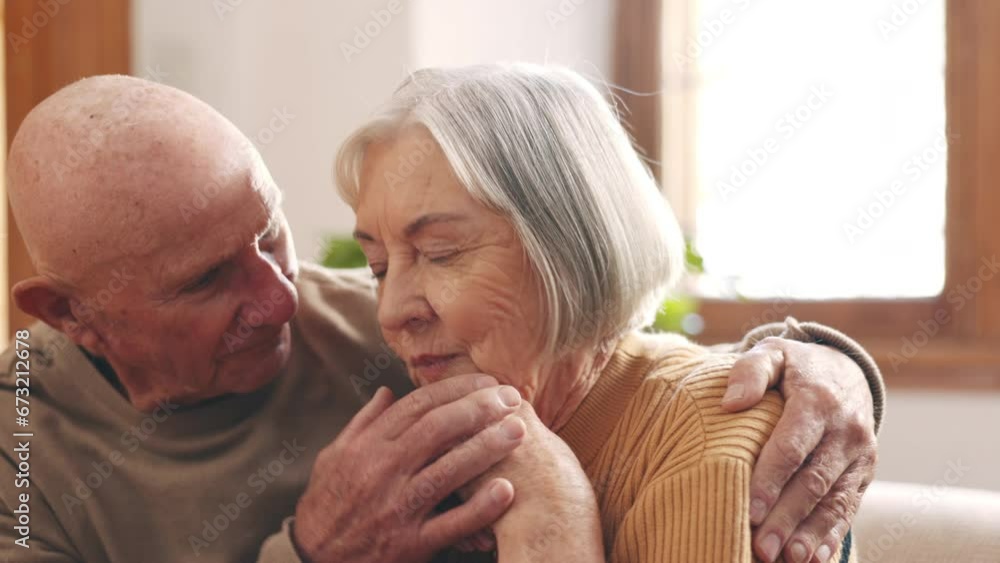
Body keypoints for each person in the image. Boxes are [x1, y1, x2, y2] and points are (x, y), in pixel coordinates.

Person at [0, 75, 880, 563]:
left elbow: (615, 355)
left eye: (271, 234)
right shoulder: (20, 440)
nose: (282, 296)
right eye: (204, 283)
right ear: (73, 316)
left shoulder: (389, 330)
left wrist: (820, 357)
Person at [335, 64, 881, 562]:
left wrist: (553, 528)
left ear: (569, 249)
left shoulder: (707, 437)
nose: (390, 311)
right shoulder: (420, 442)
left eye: (441, 253)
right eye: (379, 265)